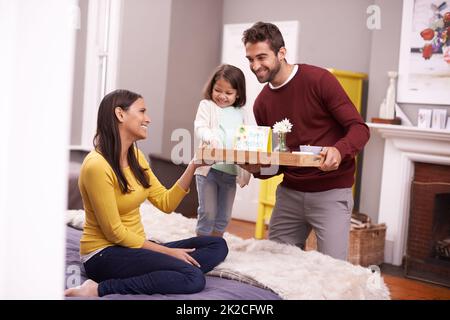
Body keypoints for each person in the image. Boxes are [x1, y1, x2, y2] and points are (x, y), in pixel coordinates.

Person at [64, 89, 228, 297]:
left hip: (134, 248)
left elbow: (165, 203)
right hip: (103, 254)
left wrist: (194, 165)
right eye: (142, 111)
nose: (148, 119)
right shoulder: (97, 165)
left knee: (217, 244)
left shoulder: (136, 156)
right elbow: (114, 232)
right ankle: (98, 288)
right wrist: (168, 252)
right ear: (120, 114)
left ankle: (163, 270)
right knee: (193, 278)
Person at [241, 22, 370, 260]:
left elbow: (359, 129)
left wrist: (339, 151)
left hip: (331, 193)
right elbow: (278, 160)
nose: (255, 66)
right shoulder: (262, 104)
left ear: (282, 52)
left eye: (261, 57)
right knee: (275, 265)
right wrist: (257, 169)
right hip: (290, 194)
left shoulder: (319, 80)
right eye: (250, 59)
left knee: (332, 270)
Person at [194, 64, 251, 237]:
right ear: (212, 88)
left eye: (229, 93)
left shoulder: (241, 113)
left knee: (224, 216)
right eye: (218, 90)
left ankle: (214, 245)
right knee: (208, 212)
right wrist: (211, 137)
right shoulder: (207, 106)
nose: (222, 96)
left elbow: (245, 137)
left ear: (238, 94)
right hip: (208, 171)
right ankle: (201, 244)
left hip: (230, 173)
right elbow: (200, 127)